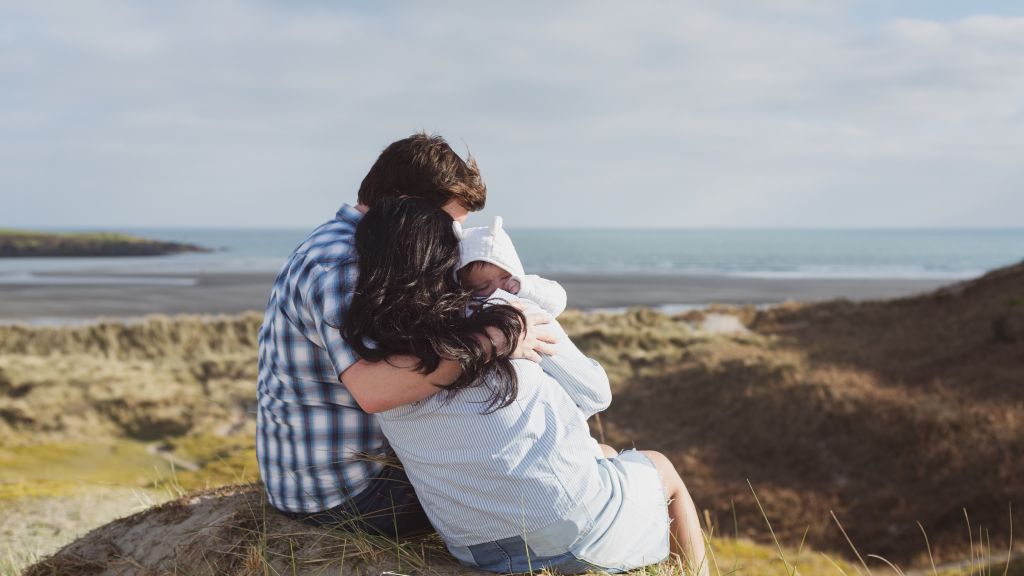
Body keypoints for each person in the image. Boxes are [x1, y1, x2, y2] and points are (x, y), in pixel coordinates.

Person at [350, 197, 710, 575]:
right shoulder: (507, 316)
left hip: (475, 548)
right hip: (569, 532)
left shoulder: (369, 352)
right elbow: (595, 395)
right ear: (444, 259)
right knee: (662, 469)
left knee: (602, 452)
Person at [255, 134, 557, 536]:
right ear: (406, 205)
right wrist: (492, 341)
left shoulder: (346, 245)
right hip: (350, 494)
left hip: (320, 481)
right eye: (448, 225)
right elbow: (375, 389)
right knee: (544, 492)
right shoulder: (344, 263)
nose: (452, 241)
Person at [454, 215, 567, 316]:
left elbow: (558, 301)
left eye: (505, 277)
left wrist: (526, 288)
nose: (498, 288)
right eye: (483, 286)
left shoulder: (526, 286)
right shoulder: (469, 308)